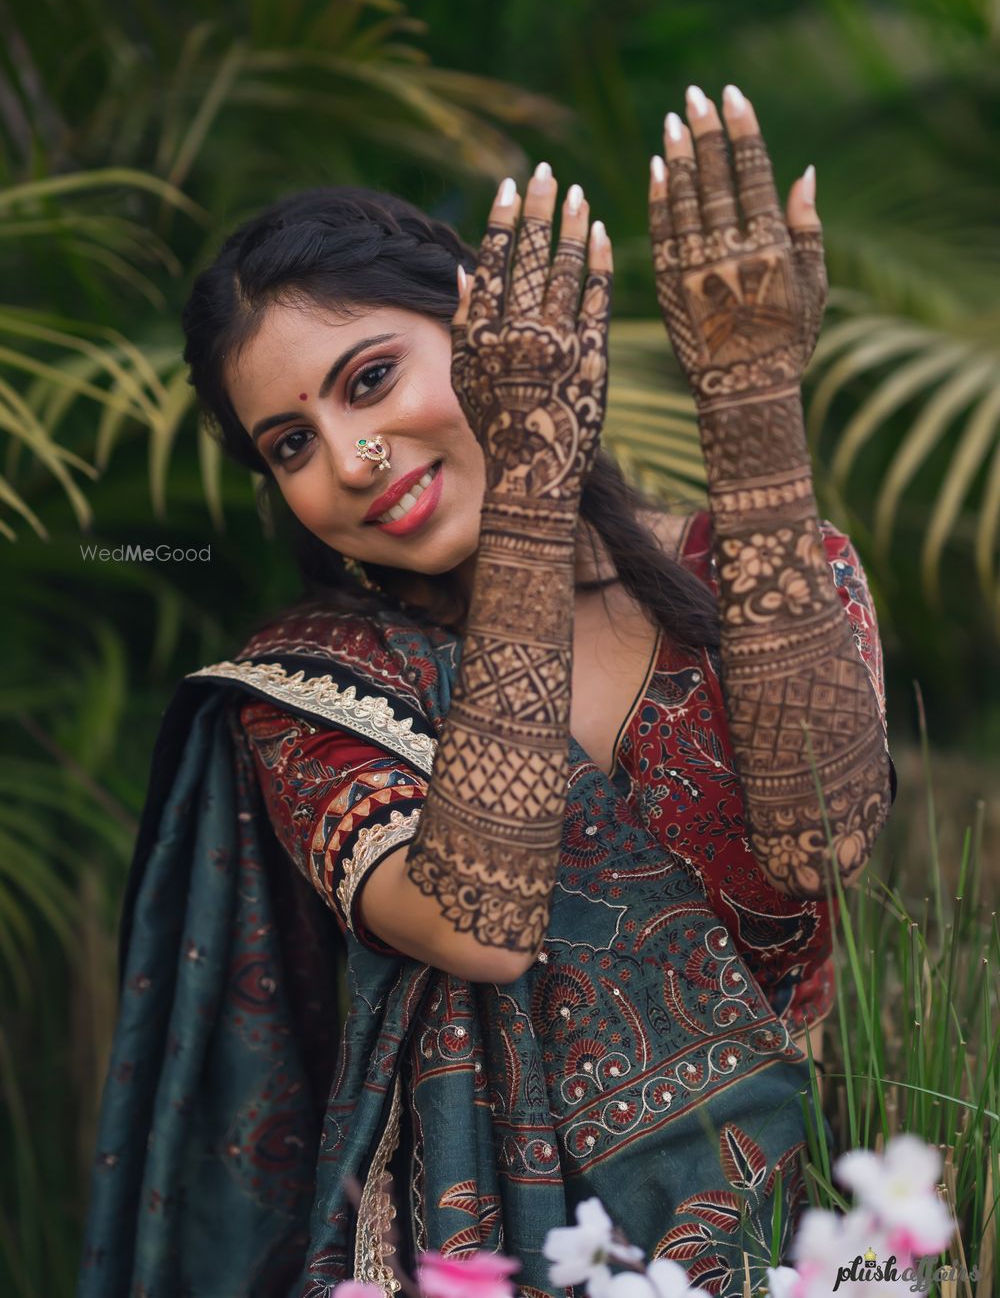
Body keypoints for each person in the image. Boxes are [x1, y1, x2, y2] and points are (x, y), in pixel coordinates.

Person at [77, 85, 896, 1298]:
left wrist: (752, 407)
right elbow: (479, 926)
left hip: (822, 1235)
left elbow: (820, 841)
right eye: (288, 445)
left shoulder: (764, 574)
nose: (350, 458)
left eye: (367, 379)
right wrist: (527, 492)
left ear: (494, 320)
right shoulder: (311, 697)